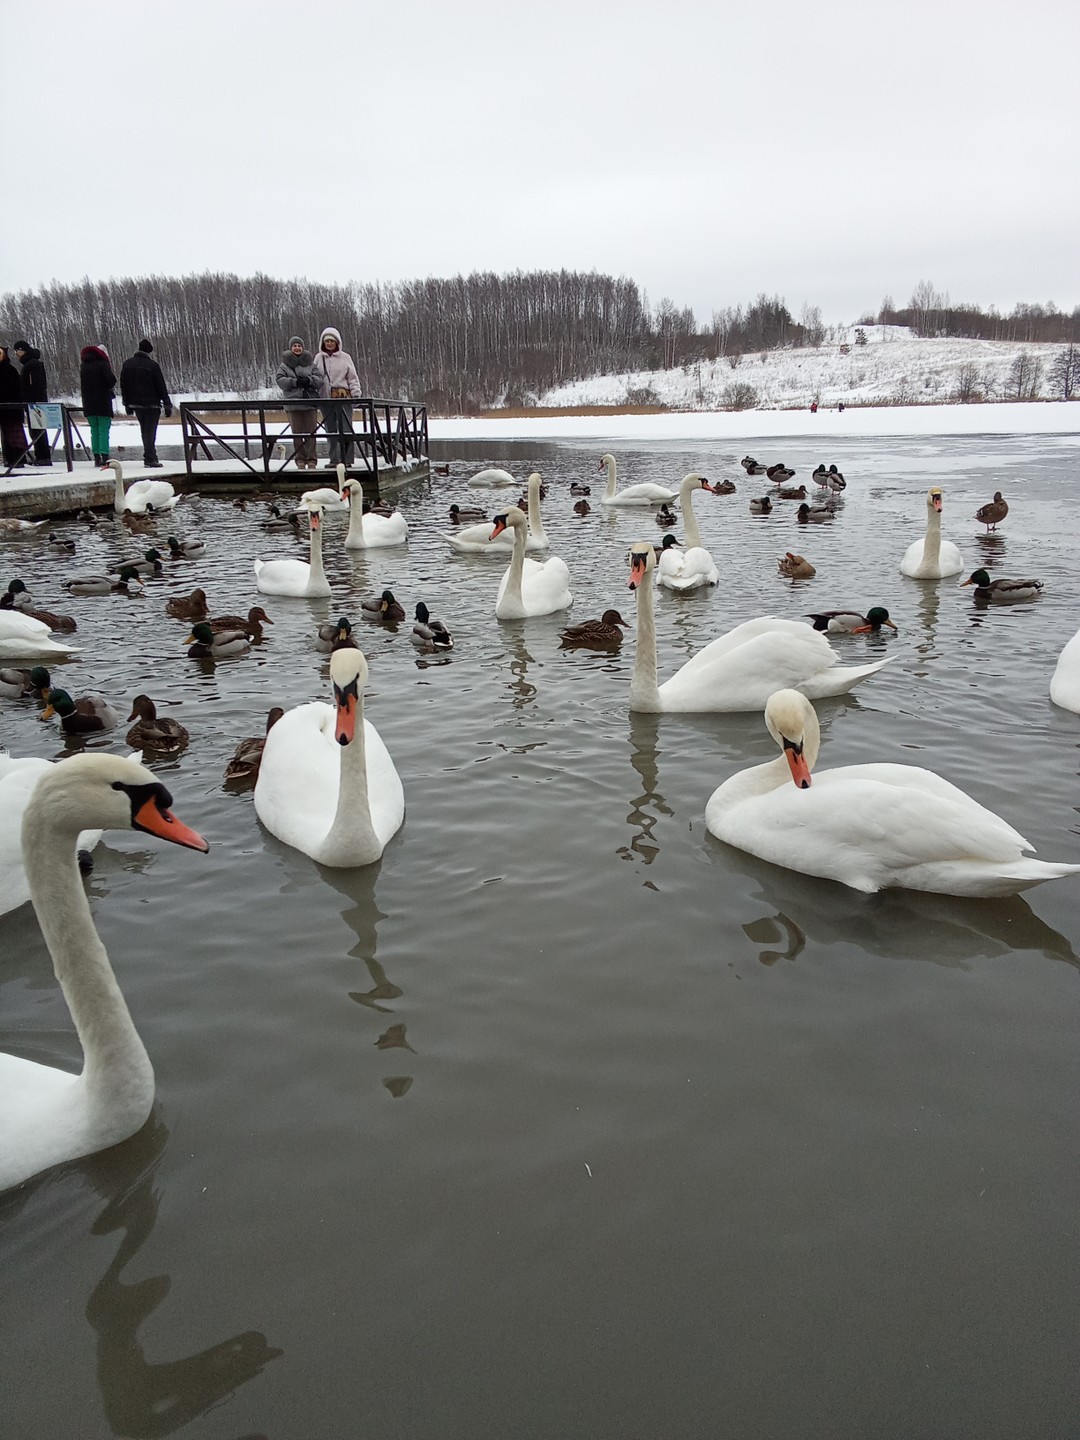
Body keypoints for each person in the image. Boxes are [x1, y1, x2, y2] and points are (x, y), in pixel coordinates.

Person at [312, 326, 361, 469]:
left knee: (346, 429)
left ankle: (347, 460)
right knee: (331, 430)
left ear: (337, 342)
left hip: (343, 398)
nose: (329, 343)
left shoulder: (346, 358)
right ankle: (334, 459)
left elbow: (352, 377)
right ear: (323, 342)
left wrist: (356, 393)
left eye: (332, 341)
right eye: (327, 341)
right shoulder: (318, 358)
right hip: (325, 399)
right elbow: (314, 377)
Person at [120, 338, 173, 468]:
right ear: (149, 351)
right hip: (152, 404)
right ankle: (150, 458)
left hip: (136, 404)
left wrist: (127, 403)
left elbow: (124, 385)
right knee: (150, 431)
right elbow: (160, 386)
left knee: (144, 430)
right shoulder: (153, 366)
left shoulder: (127, 364)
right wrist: (167, 404)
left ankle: (150, 456)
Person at [276, 336, 320, 470]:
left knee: (311, 433)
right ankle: (300, 459)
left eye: (299, 346)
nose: (297, 348)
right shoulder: (284, 365)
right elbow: (280, 380)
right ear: (291, 348)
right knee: (297, 434)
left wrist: (309, 380)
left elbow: (319, 379)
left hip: (309, 403)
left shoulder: (310, 364)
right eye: (294, 345)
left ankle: (312, 460)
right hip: (293, 404)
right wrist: (294, 382)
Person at [12, 339, 50, 465]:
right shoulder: (30, 363)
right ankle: (41, 456)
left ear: (23, 350)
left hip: (35, 403)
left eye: (17, 351)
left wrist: (30, 400)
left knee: (37, 429)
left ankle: (43, 457)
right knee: (36, 429)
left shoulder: (32, 364)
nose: (16, 354)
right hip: (34, 402)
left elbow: (33, 385)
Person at [79, 343, 117, 467]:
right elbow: (111, 381)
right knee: (103, 430)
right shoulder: (103, 365)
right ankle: (104, 455)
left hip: (89, 404)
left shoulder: (83, 366)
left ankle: (96, 457)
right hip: (102, 403)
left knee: (94, 430)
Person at [0, 344, 30, 469]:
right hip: (5, 409)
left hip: (11, 409)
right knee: (7, 436)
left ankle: (18, 459)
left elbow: (15, 390)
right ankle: (11, 459)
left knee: (14, 435)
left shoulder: (10, 370)